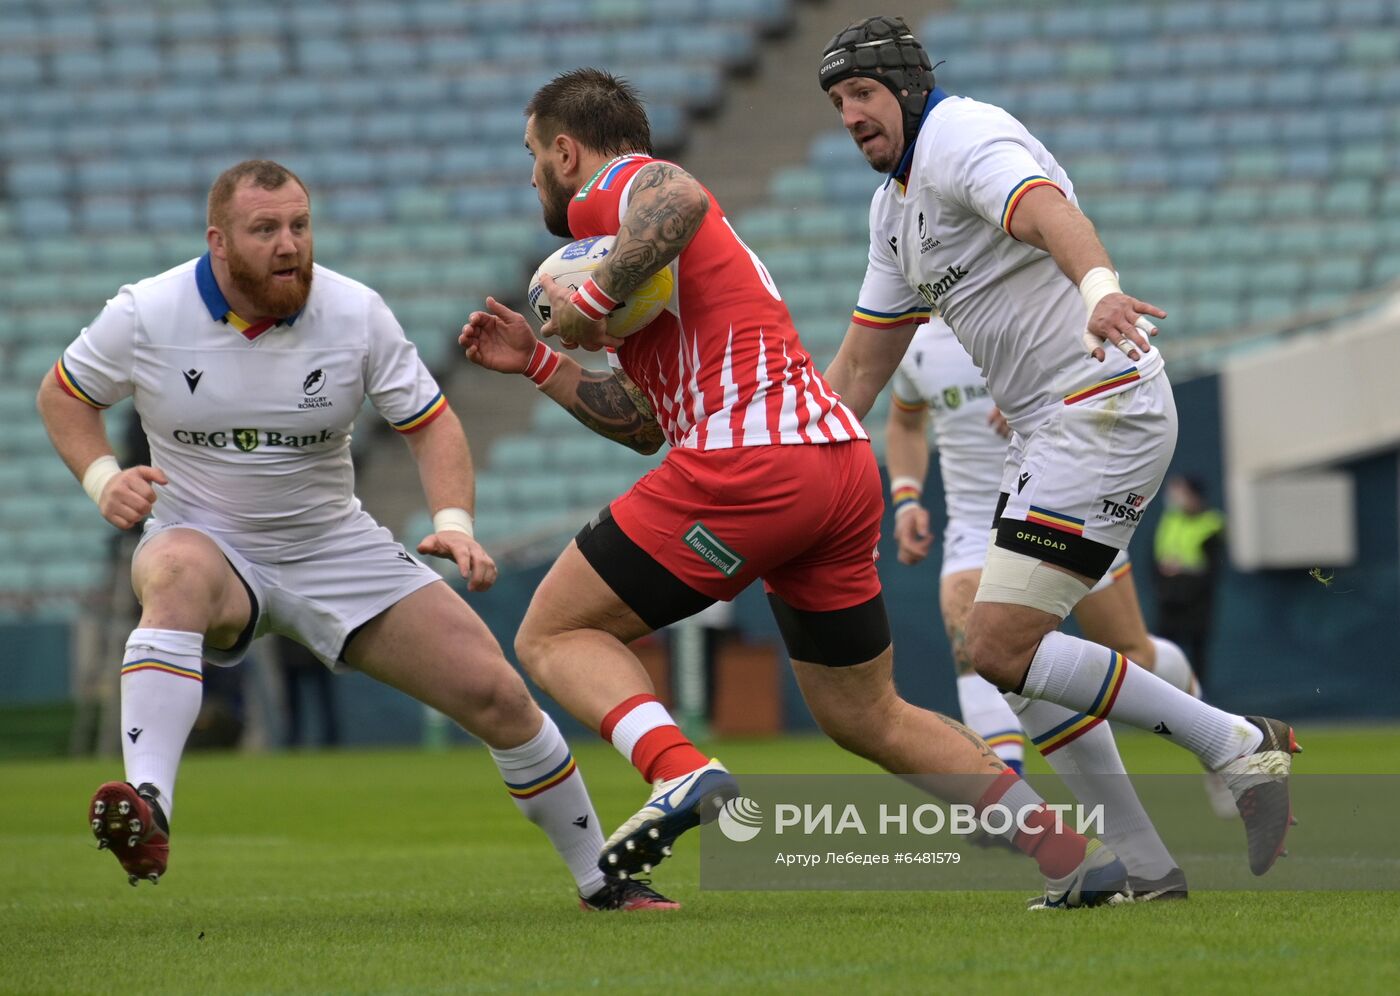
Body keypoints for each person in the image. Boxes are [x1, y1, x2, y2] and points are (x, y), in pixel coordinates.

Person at [462, 68, 1129, 908]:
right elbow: (642, 424)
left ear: (566, 149)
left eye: (533, 156)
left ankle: (680, 770)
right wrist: (538, 360)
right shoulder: (646, 260)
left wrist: (592, 296)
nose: (532, 178)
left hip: (752, 463)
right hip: (836, 465)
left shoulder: (617, 187)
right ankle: (1072, 856)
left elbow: (679, 196)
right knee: (865, 714)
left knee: (552, 634)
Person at [36, 159, 669, 912]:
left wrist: (454, 524)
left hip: (334, 548)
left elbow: (430, 425)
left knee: (499, 696)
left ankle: (601, 882)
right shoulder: (146, 312)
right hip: (207, 541)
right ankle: (149, 805)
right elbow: (63, 395)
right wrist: (106, 480)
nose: (289, 244)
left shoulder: (355, 311)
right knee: (171, 568)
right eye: (265, 229)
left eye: (299, 225)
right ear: (218, 241)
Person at [818, 15, 1297, 877]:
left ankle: (1231, 741)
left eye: (861, 92)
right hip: (1051, 427)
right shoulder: (894, 211)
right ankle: (1145, 868)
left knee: (1000, 645)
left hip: (1102, 406)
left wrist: (1099, 288)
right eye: (836, 101)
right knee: (1005, 660)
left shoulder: (962, 132)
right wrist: (787, 448)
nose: (849, 113)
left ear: (907, 88)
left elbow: (1045, 211)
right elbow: (860, 367)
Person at [887, 319, 1237, 892]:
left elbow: (1128, 372)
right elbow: (904, 421)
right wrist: (904, 500)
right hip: (977, 527)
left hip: (1065, 503)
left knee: (1131, 655)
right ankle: (1005, 786)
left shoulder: (1033, 308)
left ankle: (1206, 721)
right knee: (980, 644)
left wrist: (1047, 397)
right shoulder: (914, 342)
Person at [1154, 475, 1226, 679]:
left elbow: (1212, 570)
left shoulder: (1211, 524)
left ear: (1195, 495)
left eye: (1182, 492)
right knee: (1164, 654)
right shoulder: (1170, 520)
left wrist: (1183, 576)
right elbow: (1156, 560)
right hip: (1169, 602)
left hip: (1196, 604)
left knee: (1197, 657)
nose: (1175, 497)